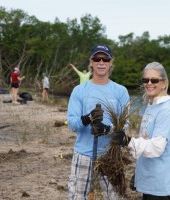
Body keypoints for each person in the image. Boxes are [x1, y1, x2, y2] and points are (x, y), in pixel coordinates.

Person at [67, 44, 130, 200]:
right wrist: (87, 118)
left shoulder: (120, 91)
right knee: (77, 197)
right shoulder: (79, 90)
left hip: (111, 156)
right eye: (97, 58)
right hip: (84, 155)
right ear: (91, 62)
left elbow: (125, 126)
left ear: (111, 63)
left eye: (105, 59)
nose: (101, 62)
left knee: (116, 197)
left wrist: (105, 129)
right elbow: (72, 124)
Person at [113, 62, 170, 200]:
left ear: (164, 83)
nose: (149, 83)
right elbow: (145, 141)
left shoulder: (167, 111)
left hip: (161, 186)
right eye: (146, 80)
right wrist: (139, 175)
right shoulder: (152, 106)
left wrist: (127, 141)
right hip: (150, 181)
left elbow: (156, 148)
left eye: (154, 80)